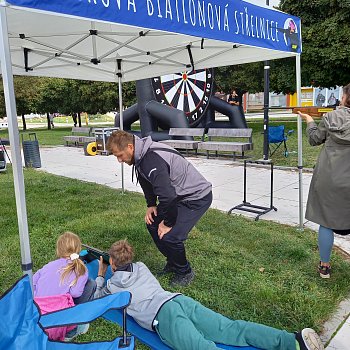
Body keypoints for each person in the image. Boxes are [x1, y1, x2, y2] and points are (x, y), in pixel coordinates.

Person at [94, 239, 324, 350]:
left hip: (164, 318)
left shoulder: (114, 287)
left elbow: (96, 298)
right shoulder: (142, 266)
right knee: (233, 328)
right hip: (179, 300)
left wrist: (102, 274)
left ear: (112, 263)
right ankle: (292, 340)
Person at [106, 130, 212, 287]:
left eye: (119, 155)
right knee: (152, 223)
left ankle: (184, 271)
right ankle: (173, 262)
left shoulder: (151, 158)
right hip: (178, 196)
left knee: (171, 236)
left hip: (195, 197)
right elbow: (146, 181)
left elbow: (168, 197)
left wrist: (168, 223)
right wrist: (151, 205)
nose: (119, 160)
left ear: (130, 146)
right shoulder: (140, 155)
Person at [298, 83, 350, 279]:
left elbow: (314, 139)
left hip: (330, 178)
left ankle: (324, 266)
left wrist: (310, 121)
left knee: (326, 222)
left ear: (345, 97)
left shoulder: (331, 118)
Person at [33, 231, 96, 341]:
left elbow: (32, 283)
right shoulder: (81, 270)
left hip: (37, 313)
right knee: (91, 284)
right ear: (78, 249)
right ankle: (74, 328)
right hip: (60, 318)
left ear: (58, 250)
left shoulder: (48, 266)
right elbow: (75, 293)